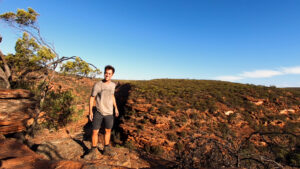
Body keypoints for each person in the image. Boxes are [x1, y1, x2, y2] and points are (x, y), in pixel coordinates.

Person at [87, 65, 119, 157]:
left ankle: (106, 149)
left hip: (109, 112)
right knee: (95, 131)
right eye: (106, 73)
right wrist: (90, 112)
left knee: (108, 131)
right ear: (104, 73)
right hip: (99, 111)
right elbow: (92, 98)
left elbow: (112, 96)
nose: (107, 75)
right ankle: (93, 150)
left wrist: (116, 108)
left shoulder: (113, 85)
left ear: (112, 75)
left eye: (109, 73)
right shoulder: (98, 85)